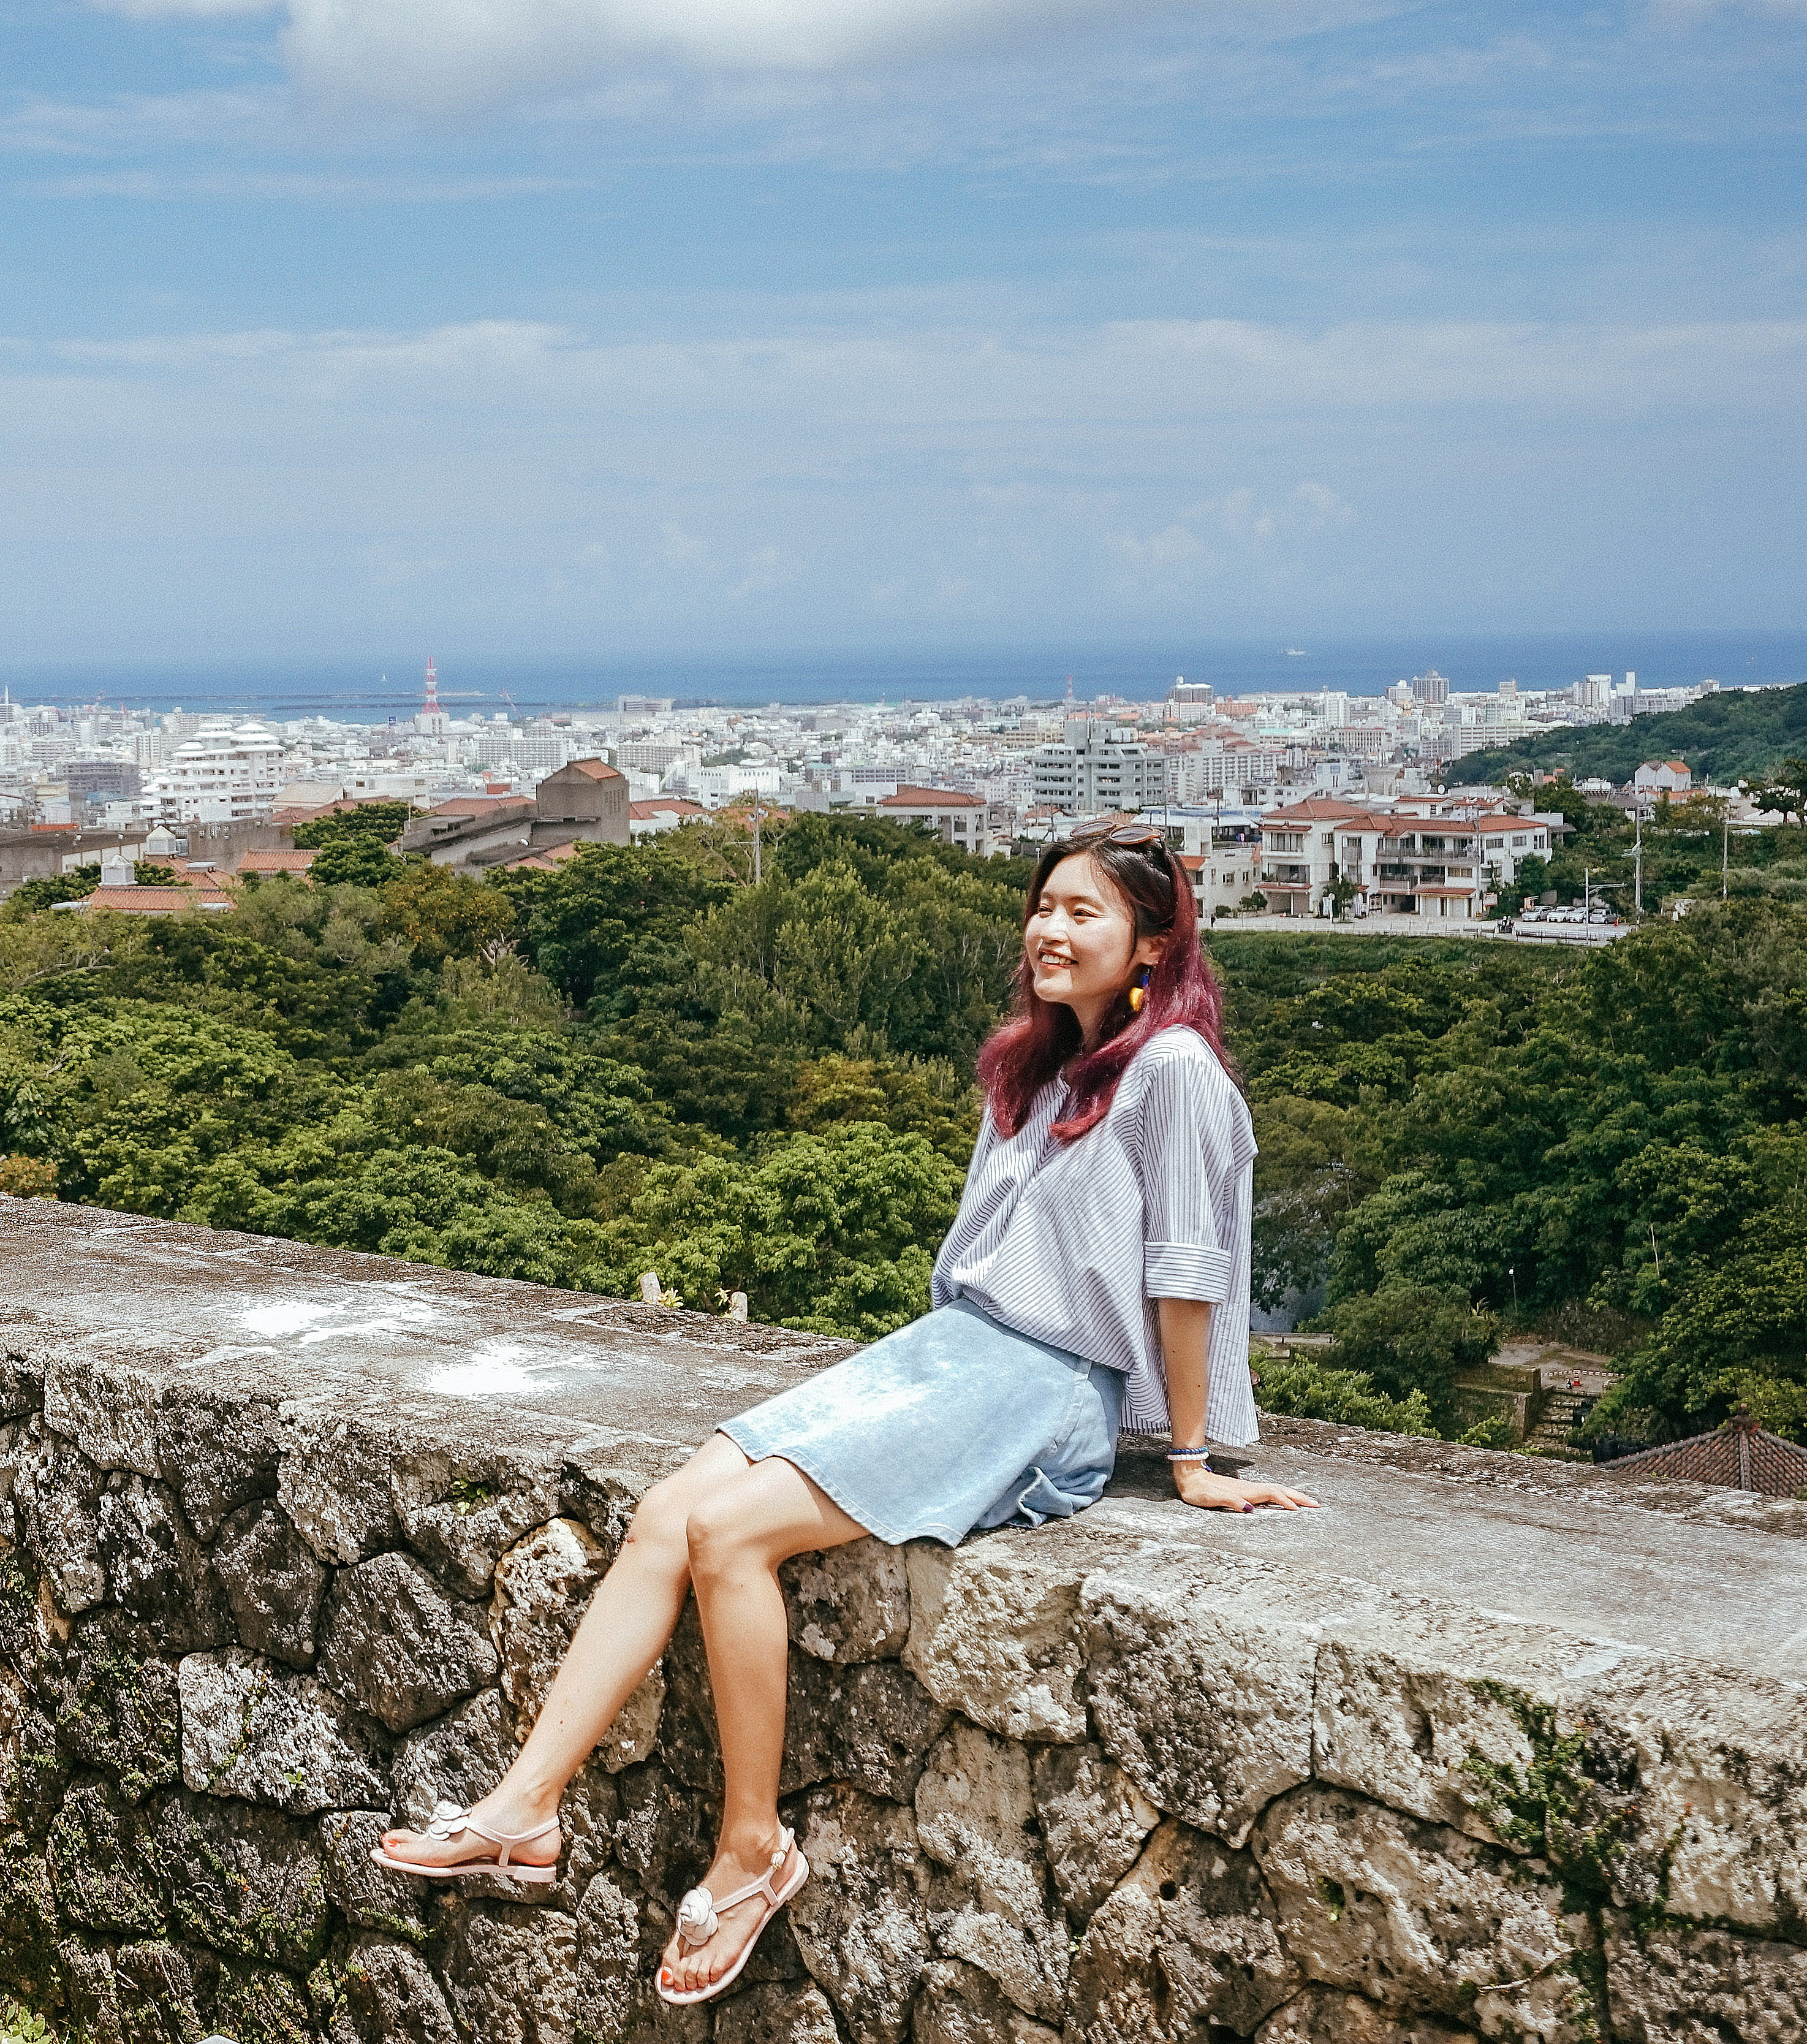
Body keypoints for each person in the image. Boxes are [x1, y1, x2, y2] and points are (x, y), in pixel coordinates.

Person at [372, 821, 1318, 2006]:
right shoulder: (1034, 1068)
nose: (1050, 930)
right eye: (1043, 906)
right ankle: (525, 1808)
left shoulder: (1170, 1070)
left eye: (1083, 912)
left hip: (1041, 1386)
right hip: (954, 1354)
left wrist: (1190, 1455)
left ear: (1152, 941)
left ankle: (752, 1847)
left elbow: (1187, 1273)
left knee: (734, 1536)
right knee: (669, 1509)